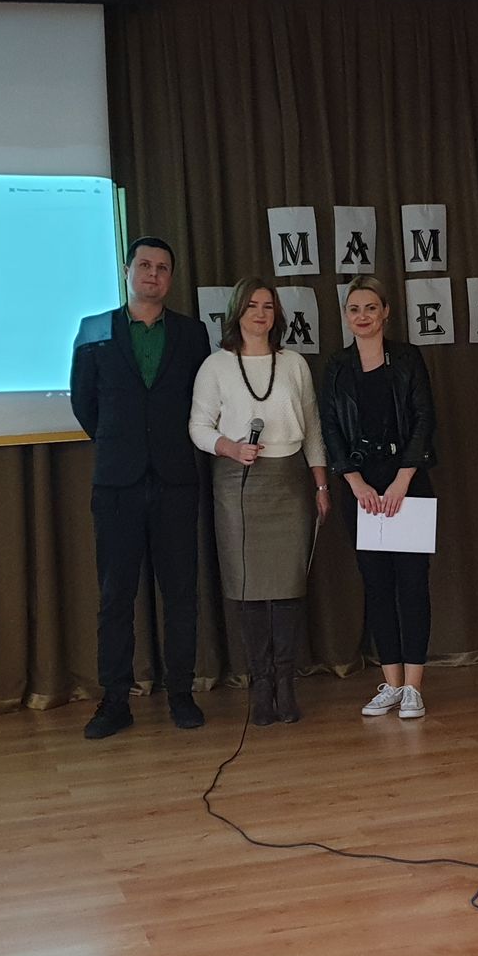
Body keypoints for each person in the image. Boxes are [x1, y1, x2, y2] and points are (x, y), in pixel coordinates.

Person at [69, 237, 212, 740]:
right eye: (145, 265)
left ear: (171, 278)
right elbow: (84, 404)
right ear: (127, 270)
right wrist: (123, 443)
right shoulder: (93, 329)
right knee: (115, 597)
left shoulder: (193, 334)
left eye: (163, 267)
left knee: (181, 595)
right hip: (117, 483)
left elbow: (202, 401)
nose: (153, 273)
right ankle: (114, 701)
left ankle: (181, 694)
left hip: (176, 481)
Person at [190, 280, 330, 725]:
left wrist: (321, 484)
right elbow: (198, 426)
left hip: (289, 481)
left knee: (288, 587)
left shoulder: (294, 364)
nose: (260, 313)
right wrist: (230, 447)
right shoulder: (215, 365)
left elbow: (313, 426)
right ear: (237, 312)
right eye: (252, 305)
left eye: (268, 306)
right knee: (248, 589)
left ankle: (286, 683)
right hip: (237, 482)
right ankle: (261, 684)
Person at [319, 275, 438, 721]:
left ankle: (414, 688)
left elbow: (424, 418)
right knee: (377, 585)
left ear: (386, 312)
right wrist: (355, 483)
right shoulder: (337, 366)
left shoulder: (407, 358)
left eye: (371, 307)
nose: (362, 316)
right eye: (354, 309)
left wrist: (403, 480)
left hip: (407, 484)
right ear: (345, 316)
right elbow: (330, 427)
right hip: (362, 491)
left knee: (412, 584)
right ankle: (391, 683)